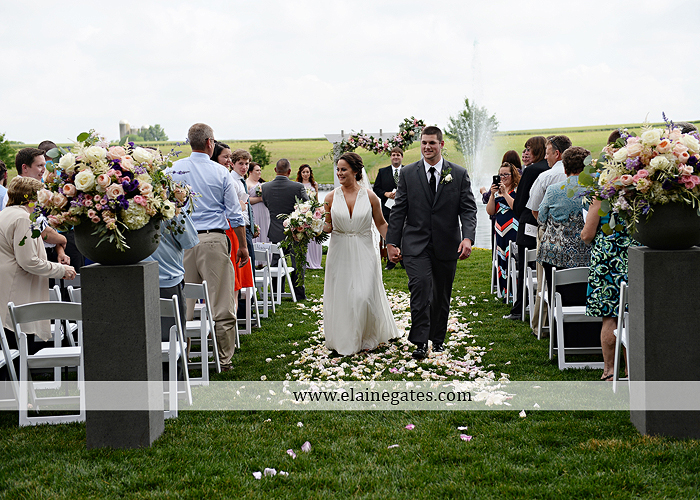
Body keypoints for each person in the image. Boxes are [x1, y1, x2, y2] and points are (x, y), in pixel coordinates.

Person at [386, 126, 478, 360]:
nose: (427, 147)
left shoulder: (458, 174)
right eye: (424, 143)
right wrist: (391, 242)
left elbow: (468, 209)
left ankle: (437, 339)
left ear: (441, 145)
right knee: (420, 289)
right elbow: (399, 210)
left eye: (432, 143)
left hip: (447, 244)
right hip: (415, 244)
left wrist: (467, 237)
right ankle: (419, 342)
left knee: (441, 295)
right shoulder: (408, 173)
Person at [169, 123, 248, 372]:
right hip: (213, 240)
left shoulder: (174, 169)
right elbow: (235, 214)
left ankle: (183, 355)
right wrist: (242, 246)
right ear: (210, 143)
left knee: (183, 302)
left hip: (181, 241)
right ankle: (224, 360)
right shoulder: (220, 172)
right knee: (221, 300)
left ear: (189, 142)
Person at [323, 152, 400, 355]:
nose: (339, 173)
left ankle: (367, 336)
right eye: (338, 169)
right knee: (343, 295)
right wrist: (307, 226)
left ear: (356, 171)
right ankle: (344, 337)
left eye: (344, 169)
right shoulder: (330, 198)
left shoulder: (370, 196)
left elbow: (381, 223)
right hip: (339, 250)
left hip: (365, 248)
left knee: (363, 295)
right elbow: (327, 227)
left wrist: (392, 244)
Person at [0, 176, 76, 355]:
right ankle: (22, 383)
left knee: (9, 348)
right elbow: (28, 261)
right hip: (17, 288)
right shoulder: (23, 218)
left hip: (7, 286)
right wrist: (61, 270)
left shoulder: (5, 214)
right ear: (32, 199)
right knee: (18, 348)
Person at [581, 132, 634, 381]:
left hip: (606, 258)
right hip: (634, 254)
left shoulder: (602, 189)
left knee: (610, 315)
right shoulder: (638, 187)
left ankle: (609, 369)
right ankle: (631, 369)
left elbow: (587, 234)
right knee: (633, 313)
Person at [537, 146, 592, 301]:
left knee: (558, 298)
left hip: (555, 254)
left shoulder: (553, 190)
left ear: (565, 168)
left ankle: (558, 322)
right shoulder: (595, 191)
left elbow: (541, 219)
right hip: (588, 255)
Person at [504, 136, 548, 322]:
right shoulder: (552, 169)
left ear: (537, 150)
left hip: (528, 224)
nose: (526, 152)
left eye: (529, 149)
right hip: (547, 226)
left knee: (524, 268)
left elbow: (520, 203)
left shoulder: (532, 171)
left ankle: (519, 309)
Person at [209, 143, 255, 314]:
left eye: (246, 164)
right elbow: (232, 209)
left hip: (236, 230)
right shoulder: (228, 179)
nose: (229, 161)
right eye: (226, 157)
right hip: (228, 230)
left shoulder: (236, 180)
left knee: (235, 279)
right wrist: (240, 208)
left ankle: (238, 314)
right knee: (227, 279)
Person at [261, 158, 309, 300]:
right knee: (298, 262)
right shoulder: (298, 187)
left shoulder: (265, 187)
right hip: (296, 231)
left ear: (275, 170)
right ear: (289, 171)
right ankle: (298, 293)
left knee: (276, 263)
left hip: (275, 231)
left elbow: (266, 203)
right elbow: (306, 206)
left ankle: (277, 292)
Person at [14, 147, 70, 266]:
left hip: (47, 252)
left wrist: (60, 251)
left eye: (44, 165)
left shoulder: (39, 190)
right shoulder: (17, 192)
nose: (44, 170)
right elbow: (40, 229)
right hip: (32, 257)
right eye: (39, 166)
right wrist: (63, 239)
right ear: (24, 167)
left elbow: (46, 224)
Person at [486, 162, 520, 295]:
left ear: (513, 175)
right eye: (500, 175)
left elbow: (516, 208)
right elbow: (490, 211)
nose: (503, 177)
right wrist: (492, 195)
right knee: (501, 259)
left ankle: (515, 291)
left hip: (513, 229)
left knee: (513, 259)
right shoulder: (497, 191)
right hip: (499, 230)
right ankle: (504, 291)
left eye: (506, 174)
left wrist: (505, 193)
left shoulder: (517, 190)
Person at [373, 147, 404, 269]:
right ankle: (391, 261)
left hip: (403, 209)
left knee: (404, 233)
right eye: (393, 155)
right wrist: (385, 194)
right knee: (390, 233)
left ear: (402, 157)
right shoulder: (382, 172)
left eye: (398, 155)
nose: (395, 157)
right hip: (387, 209)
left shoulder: (408, 171)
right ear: (390, 157)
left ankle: (404, 260)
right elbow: (376, 188)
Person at [297, 164, 322, 270]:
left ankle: (315, 261)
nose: (306, 174)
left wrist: (319, 210)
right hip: (302, 211)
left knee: (314, 235)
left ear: (310, 173)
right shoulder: (298, 185)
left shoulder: (314, 184)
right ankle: (306, 261)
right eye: (303, 172)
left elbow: (316, 199)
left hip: (312, 211)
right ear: (300, 173)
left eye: (307, 172)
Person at [246, 162, 270, 243]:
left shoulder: (261, 183)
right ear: (250, 172)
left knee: (265, 230)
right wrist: (260, 199)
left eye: (260, 170)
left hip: (265, 212)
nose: (259, 172)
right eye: (257, 170)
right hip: (255, 211)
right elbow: (246, 200)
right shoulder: (247, 183)